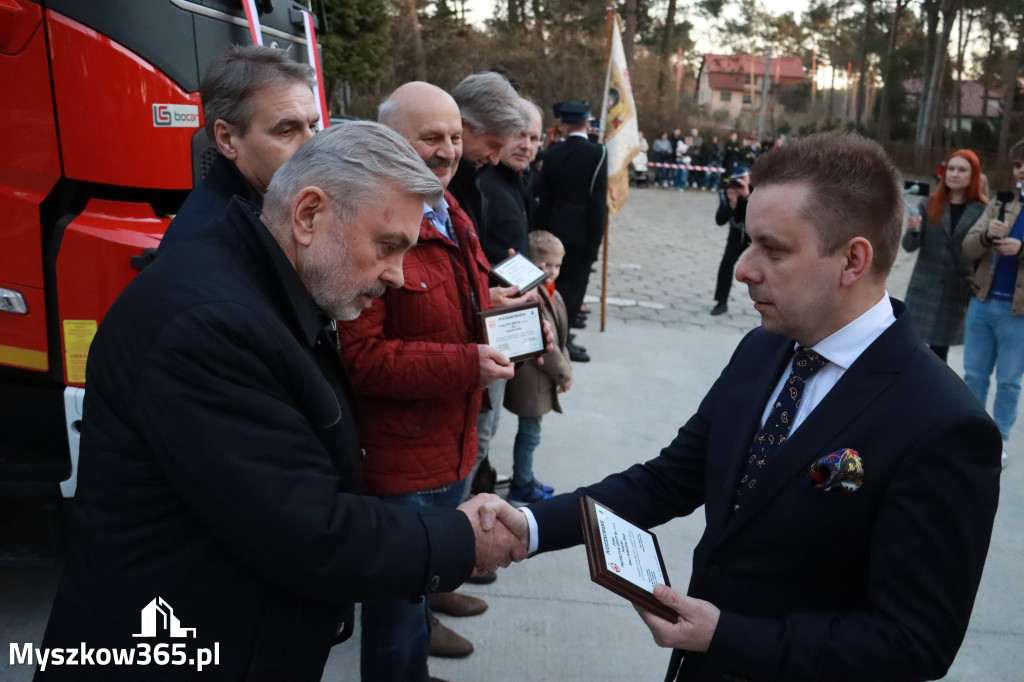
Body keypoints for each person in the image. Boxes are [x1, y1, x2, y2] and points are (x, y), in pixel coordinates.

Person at [37, 122, 528, 681]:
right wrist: (460, 539)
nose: (396, 275)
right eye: (387, 246)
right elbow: (307, 529)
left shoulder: (262, 287)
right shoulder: (210, 326)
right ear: (309, 215)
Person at [503, 132, 1002, 682]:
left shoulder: (943, 424)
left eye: (774, 248)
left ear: (853, 260)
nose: (743, 269)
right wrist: (528, 526)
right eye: (747, 242)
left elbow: (915, 642)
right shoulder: (763, 347)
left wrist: (728, 636)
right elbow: (669, 480)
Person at [340, 82, 517, 677]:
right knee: (392, 614)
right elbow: (360, 358)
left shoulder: (445, 205)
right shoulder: (368, 225)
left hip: (450, 447)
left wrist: (490, 300)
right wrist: (467, 363)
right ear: (392, 140)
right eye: (430, 137)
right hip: (401, 462)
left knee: (425, 582)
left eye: (455, 137)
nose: (447, 151)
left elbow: (446, 302)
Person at [158, 45, 319, 252]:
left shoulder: (273, 205)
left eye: (313, 126)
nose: (313, 146)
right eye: (286, 131)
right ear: (226, 138)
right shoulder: (207, 247)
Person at [962, 139, 1024, 469]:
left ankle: (999, 439)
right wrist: (988, 236)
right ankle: (973, 434)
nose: (1022, 170)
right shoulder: (1001, 202)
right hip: (982, 303)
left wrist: (1022, 249)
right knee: (974, 376)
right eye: (1018, 165)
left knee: (1010, 381)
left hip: (1019, 314)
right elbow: (968, 247)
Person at [503, 231, 573, 505]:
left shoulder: (549, 290)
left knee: (532, 432)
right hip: (534, 380)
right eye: (545, 265)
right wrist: (563, 372)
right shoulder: (533, 294)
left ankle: (525, 477)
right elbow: (546, 343)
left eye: (557, 265)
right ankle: (522, 483)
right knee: (530, 434)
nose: (552, 272)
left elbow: (562, 333)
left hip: (540, 379)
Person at [535, 100, 608, 362]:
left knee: (552, 286)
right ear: (587, 123)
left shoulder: (552, 153)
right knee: (574, 289)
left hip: (554, 226)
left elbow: (544, 197)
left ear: (564, 124)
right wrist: (595, 242)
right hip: (582, 230)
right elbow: (598, 203)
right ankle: (562, 342)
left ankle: (553, 336)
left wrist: (540, 231)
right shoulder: (598, 153)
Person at [901, 150, 988, 362]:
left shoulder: (983, 209)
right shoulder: (929, 204)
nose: (954, 174)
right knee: (910, 351)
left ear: (973, 175)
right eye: (951, 169)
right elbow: (909, 246)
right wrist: (913, 229)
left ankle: (932, 395)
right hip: (923, 291)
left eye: (962, 170)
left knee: (939, 358)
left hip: (955, 292)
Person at [709, 166, 751, 316]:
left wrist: (747, 197)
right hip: (737, 232)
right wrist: (731, 204)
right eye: (736, 181)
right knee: (727, 262)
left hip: (758, 233)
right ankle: (721, 302)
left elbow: (763, 215)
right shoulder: (726, 191)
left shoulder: (758, 189)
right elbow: (720, 220)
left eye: (743, 180)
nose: (739, 184)